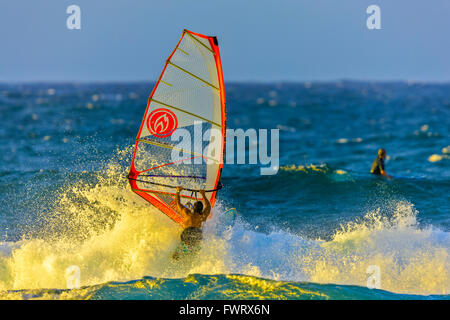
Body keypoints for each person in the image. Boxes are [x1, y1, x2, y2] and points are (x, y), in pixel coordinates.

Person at [172, 187, 211, 259]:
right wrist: (203, 195)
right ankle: (193, 258)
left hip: (187, 232)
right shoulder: (203, 216)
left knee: (182, 245)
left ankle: (176, 257)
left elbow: (177, 203)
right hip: (197, 233)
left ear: (193, 208)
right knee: (195, 248)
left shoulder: (187, 213)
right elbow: (208, 206)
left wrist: (178, 191)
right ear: (202, 209)